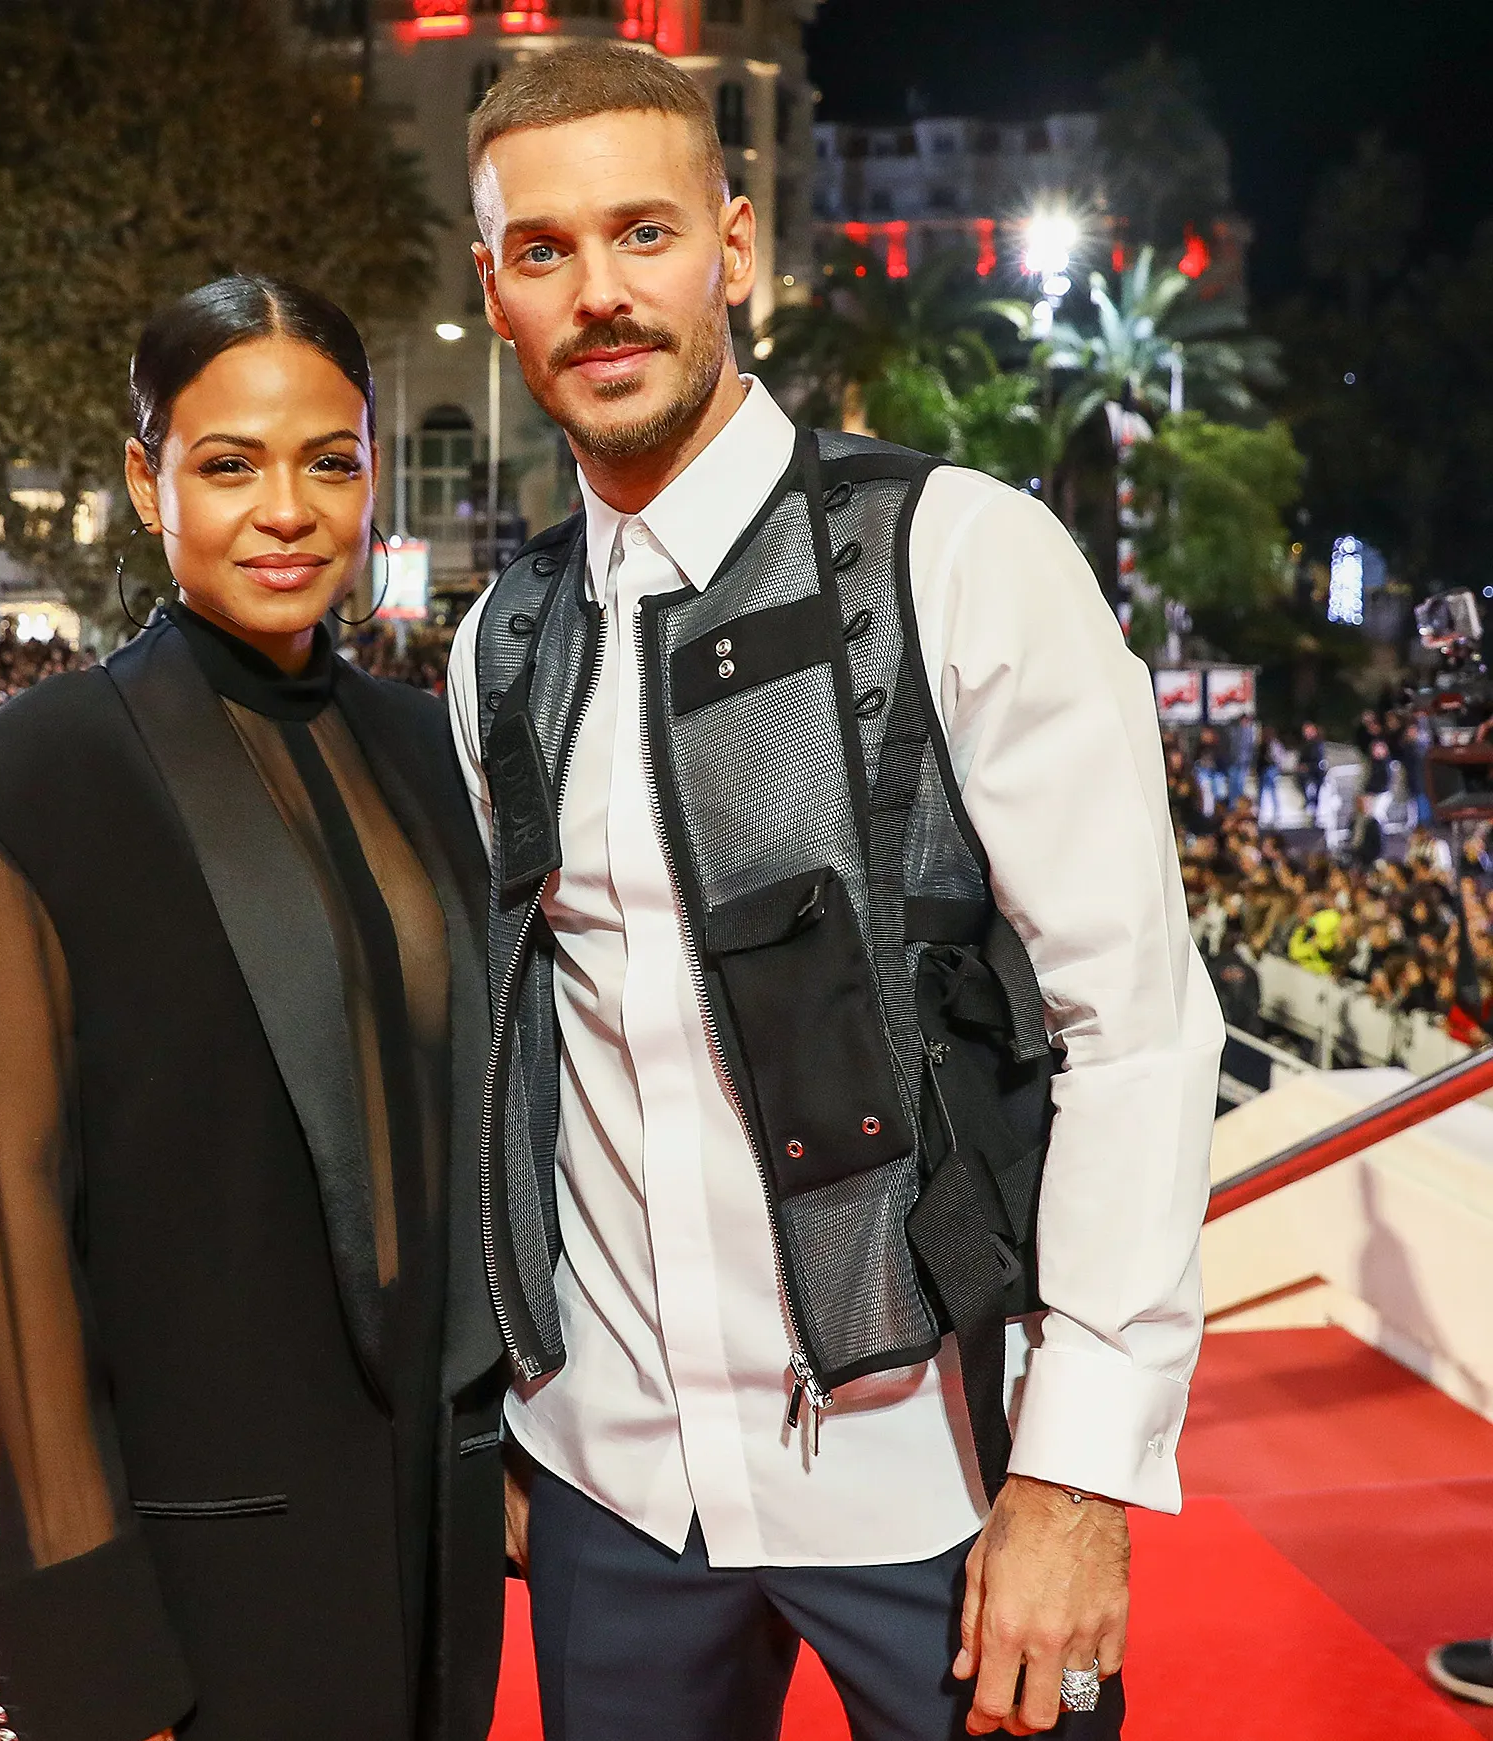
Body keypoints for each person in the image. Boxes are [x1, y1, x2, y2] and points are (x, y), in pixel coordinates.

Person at [447, 45, 1221, 1741]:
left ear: (734, 248)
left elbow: (1138, 1028)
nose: (600, 292)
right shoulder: (499, 643)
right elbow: (524, 1054)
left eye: (644, 232)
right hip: (611, 1493)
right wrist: (510, 1405)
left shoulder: (958, 552)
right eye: (545, 250)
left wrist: (1078, 1472)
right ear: (493, 291)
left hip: (942, 1486)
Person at [0, 274, 506, 1741]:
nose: (285, 511)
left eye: (329, 462)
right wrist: (82, 1662)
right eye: (229, 465)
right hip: (197, 1570)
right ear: (144, 480)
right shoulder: (34, 784)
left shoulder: (433, 755)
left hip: (438, 1544)